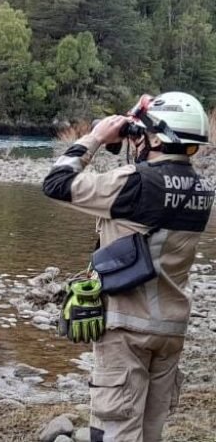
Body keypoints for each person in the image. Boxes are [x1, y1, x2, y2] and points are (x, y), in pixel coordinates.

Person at [42, 92, 214, 442]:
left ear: (155, 137)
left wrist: (97, 138)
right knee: (150, 431)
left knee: (115, 428)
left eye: (145, 134)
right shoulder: (202, 190)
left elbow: (56, 183)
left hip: (127, 327)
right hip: (171, 327)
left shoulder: (134, 184)